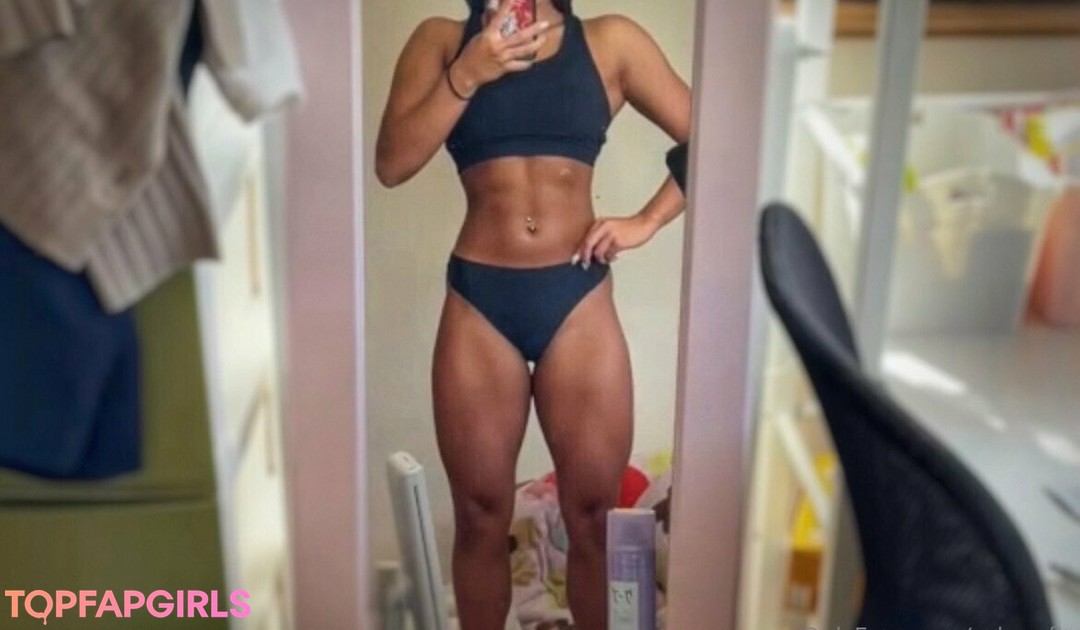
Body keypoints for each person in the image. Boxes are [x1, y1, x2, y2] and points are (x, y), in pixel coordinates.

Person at [375, 0, 690, 627]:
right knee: (479, 517)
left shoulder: (611, 42)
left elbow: (712, 136)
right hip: (479, 302)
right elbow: (391, 164)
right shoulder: (441, 42)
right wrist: (469, 72)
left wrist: (646, 221)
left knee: (593, 517)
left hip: (578, 299)